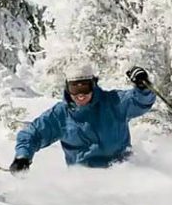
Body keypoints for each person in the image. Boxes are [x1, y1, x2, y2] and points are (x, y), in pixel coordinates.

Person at [9, 64, 155, 174]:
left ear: (93, 85)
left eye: (84, 87)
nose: (80, 95)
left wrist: (143, 87)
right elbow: (33, 134)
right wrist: (23, 157)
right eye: (74, 88)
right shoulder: (61, 114)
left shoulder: (113, 103)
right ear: (67, 88)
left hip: (123, 171)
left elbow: (139, 102)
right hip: (85, 179)